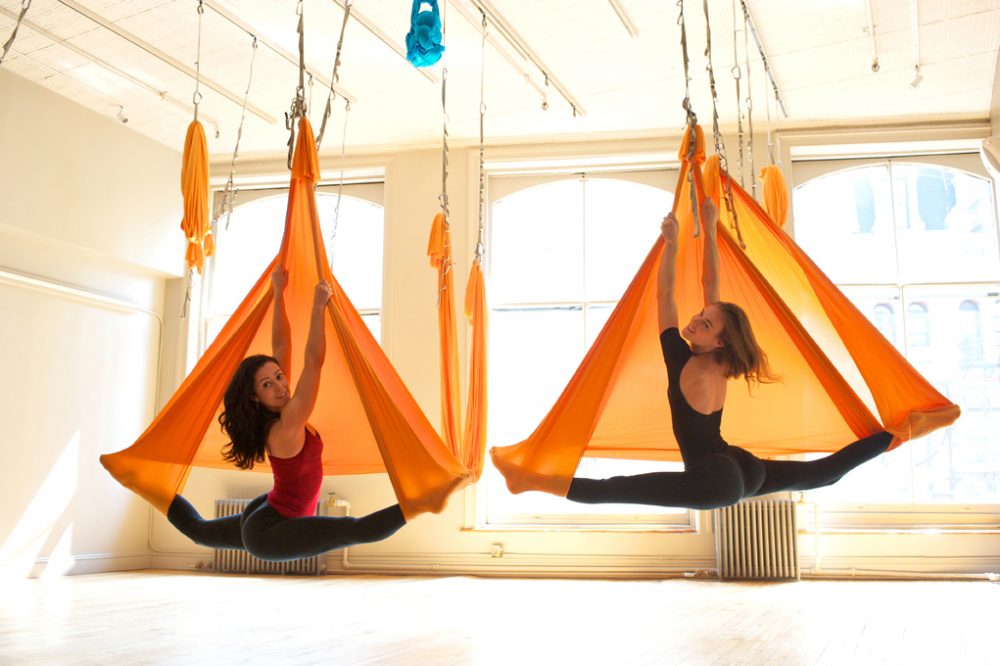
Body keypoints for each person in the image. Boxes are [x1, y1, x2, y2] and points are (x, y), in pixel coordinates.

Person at [565, 199, 893, 510]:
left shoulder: (681, 358)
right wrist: (709, 228)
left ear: (719, 341)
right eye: (700, 316)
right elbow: (712, 284)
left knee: (612, 489)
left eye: (704, 324)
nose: (693, 322)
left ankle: (531, 478)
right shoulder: (721, 361)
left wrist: (672, 244)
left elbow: (665, 294)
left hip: (718, 477)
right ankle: (896, 434)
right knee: (821, 475)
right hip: (738, 466)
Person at [166, 267, 406, 561]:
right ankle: (419, 504)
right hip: (270, 530)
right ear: (256, 396)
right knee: (352, 530)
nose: (281, 386)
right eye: (268, 384)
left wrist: (279, 293)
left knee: (201, 531)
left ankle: (152, 489)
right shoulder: (287, 424)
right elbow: (313, 362)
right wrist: (318, 307)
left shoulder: (278, 413)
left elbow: (281, 345)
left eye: (279, 377)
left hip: (268, 509)